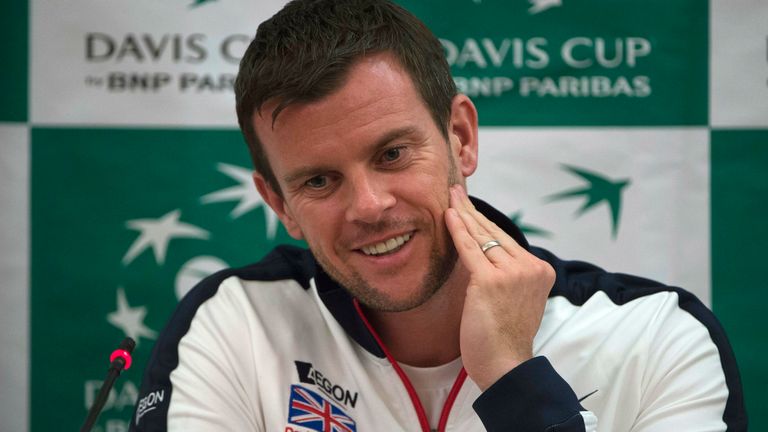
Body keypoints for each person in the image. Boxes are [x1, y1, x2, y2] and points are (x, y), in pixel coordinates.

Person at [130, 1, 747, 431]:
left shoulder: (660, 337)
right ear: (279, 204)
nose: (369, 206)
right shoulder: (233, 322)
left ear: (461, 137)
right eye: (319, 181)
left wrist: (512, 375)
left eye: (393, 153)